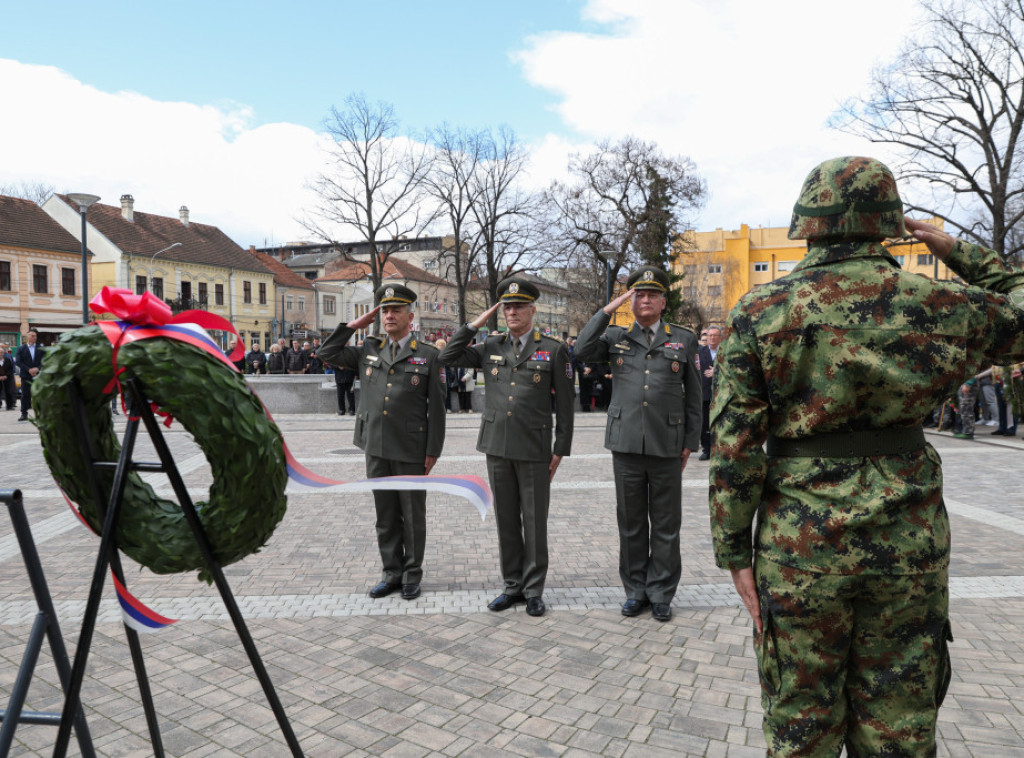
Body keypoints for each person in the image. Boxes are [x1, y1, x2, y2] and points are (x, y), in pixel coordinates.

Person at [709, 156, 1024, 756]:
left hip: (799, 543)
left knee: (802, 720)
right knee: (900, 723)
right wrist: (957, 249)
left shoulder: (762, 310)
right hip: (907, 539)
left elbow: (735, 447)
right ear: (890, 222)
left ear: (809, 221)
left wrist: (733, 550)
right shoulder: (938, 306)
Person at [440, 276, 574, 617]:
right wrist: (476, 323)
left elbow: (566, 406)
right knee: (506, 521)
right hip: (497, 446)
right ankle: (512, 585)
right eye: (507, 306)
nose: (512, 312)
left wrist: (560, 448)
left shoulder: (553, 349)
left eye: (518, 306)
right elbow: (447, 356)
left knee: (534, 521)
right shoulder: (491, 346)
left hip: (534, 447)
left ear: (532, 309)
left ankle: (533, 590)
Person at [575, 266, 702, 622]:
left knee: (665, 523)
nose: (645, 300)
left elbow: (694, 393)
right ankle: (635, 590)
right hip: (627, 443)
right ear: (630, 301)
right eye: (638, 295)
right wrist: (607, 310)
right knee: (630, 523)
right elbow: (583, 349)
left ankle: (661, 592)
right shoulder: (616, 335)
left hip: (667, 443)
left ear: (663, 301)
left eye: (651, 295)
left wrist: (691, 441)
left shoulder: (683, 338)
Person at [318, 284, 445, 601]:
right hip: (375, 445)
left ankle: (411, 575)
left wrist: (432, 451)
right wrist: (352, 327)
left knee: (413, 517)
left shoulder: (427, 356)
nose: (389, 315)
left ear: (409, 317)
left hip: (411, 448)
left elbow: (438, 410)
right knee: (385, 515)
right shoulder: (368, 351)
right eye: (385, 310)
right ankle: (391, 572)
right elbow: (326, 353)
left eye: (396, 310)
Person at [697, 325, 721, 460]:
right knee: (705, 423)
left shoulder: (725, 353)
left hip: (721, 394)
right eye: (709, 335)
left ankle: (719, 449)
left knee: (720, 423)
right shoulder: (700, 353)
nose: (711, 338)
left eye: (714, 335)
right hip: (705, 393)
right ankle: (707, 449)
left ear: (720, 338)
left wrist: (716, 371)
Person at [16, 329, 44, 421]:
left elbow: (45, 361)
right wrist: (28, 369)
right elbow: (18, 362)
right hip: (26, 376)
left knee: (39, 395)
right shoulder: (21, 348)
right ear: (27, 337)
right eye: (32, 336)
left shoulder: (40, 348)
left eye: (35, 336)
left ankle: (40, 414)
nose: (34, 337)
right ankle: (24, 414)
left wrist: (37, 368)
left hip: (38, 375)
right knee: (25, 395)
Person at [0, 342, 16, 411]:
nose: (0, 354)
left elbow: (10, 368)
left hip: (7, 378)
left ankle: (9, 406)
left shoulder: (7, 359)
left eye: (2, 352)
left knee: (8, 391)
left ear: (4, 353)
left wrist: (6, 376)